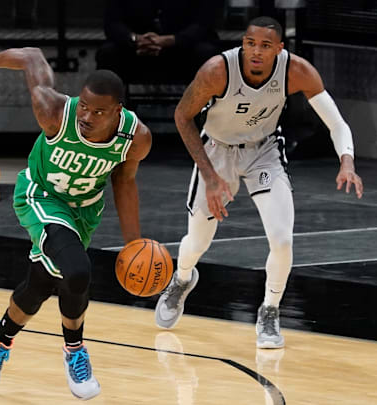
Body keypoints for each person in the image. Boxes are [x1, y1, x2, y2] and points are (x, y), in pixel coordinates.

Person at [154, 17, 364, 349]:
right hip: (217, 154)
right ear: (243, 43)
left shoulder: (297, 71)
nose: (256, 52)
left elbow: (336, 123)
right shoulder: (217, 70)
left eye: (266, 46)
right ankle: (181, 280)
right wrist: (209, 177)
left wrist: (347, 160)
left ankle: (269, 310)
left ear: (279, 49)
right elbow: (183, 116)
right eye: (251, 43)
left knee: (281, 239)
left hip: (263, 154)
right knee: (197, 242)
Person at [0, 48, 152, 400]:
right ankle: (75, 350)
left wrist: (134, 244)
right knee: (77, 270)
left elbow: (125, 181)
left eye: (98, 112)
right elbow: (32, 57)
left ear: (118, 112)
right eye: (84, 105)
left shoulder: (136, 137)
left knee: (41, 284)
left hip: (83, 211)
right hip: (40, 198)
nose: (87, 115)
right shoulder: (54, 112)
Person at [95, 0, 222, 85]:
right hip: (137, 51)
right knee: (107, 53)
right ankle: (110, 118)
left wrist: (171, 40)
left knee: (206, 53)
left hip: (183, 51)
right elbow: (112, 23)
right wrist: (135, 39)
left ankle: (203, 118)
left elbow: (203, 24)